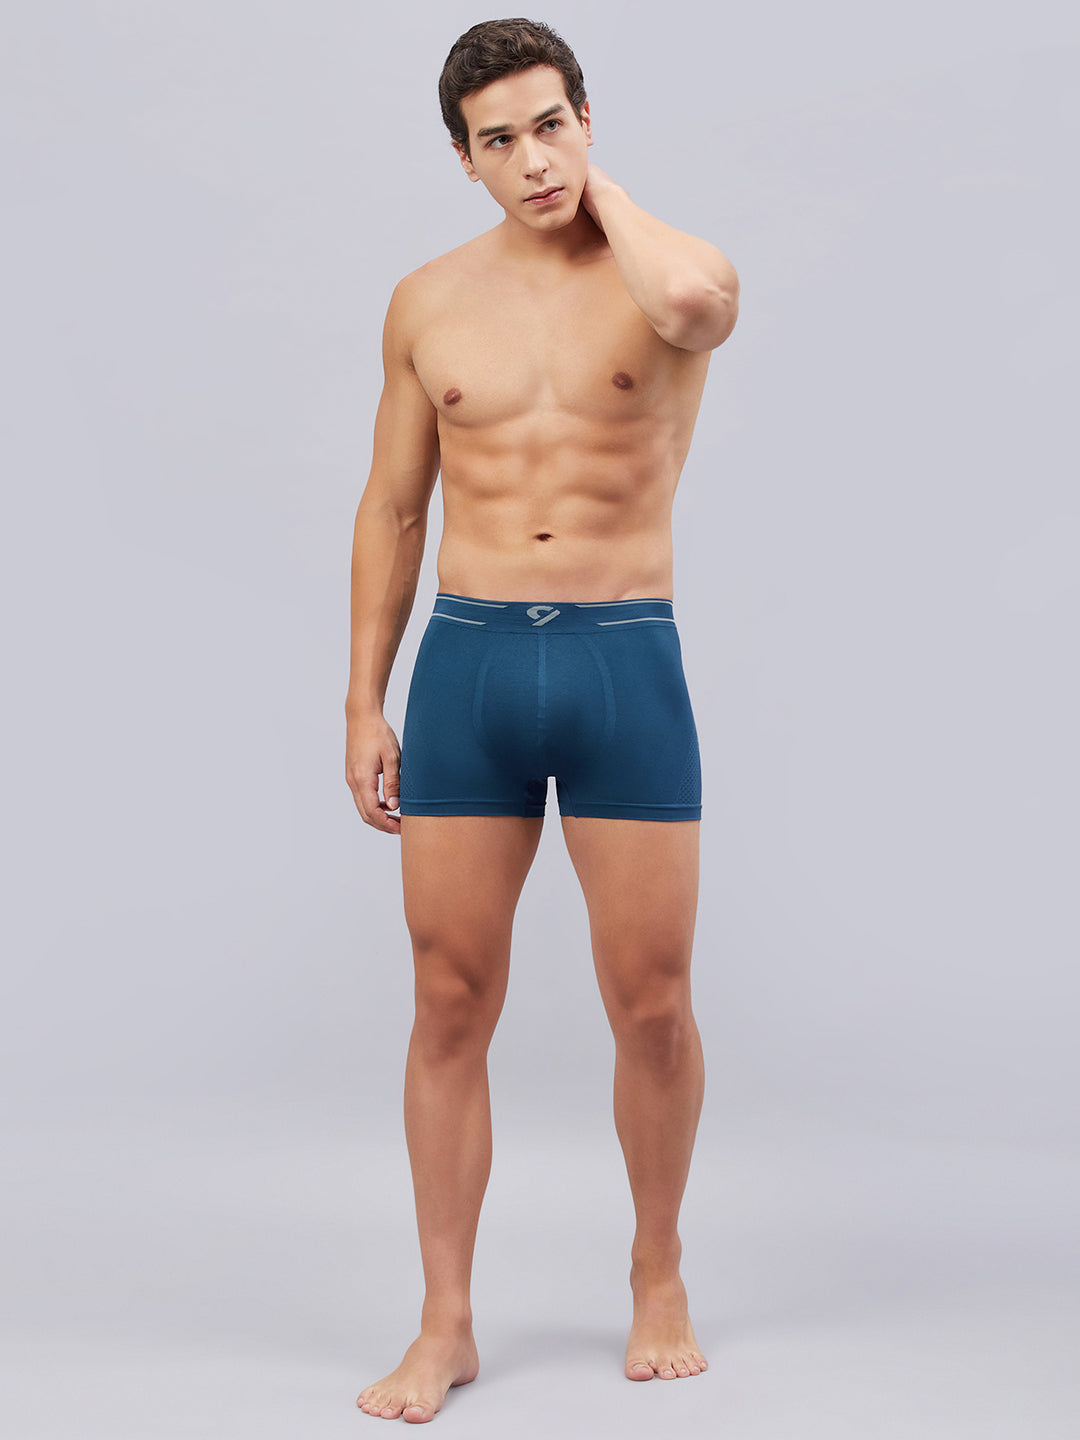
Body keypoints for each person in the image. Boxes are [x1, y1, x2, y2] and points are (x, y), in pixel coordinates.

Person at [345, 17, 739, 1424]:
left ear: (587, 119)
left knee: (653, 1000)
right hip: (467, 668)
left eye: (551, 124)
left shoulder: (666, 272)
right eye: (499, 140)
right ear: (465, 159)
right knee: (447, 998)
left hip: (623, 660)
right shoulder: (426, 301)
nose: (532, 159)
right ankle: (445, 1322)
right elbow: (394, 507)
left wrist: (600, 191)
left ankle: (658, 1270)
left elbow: (695, 306)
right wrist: (363, 697)